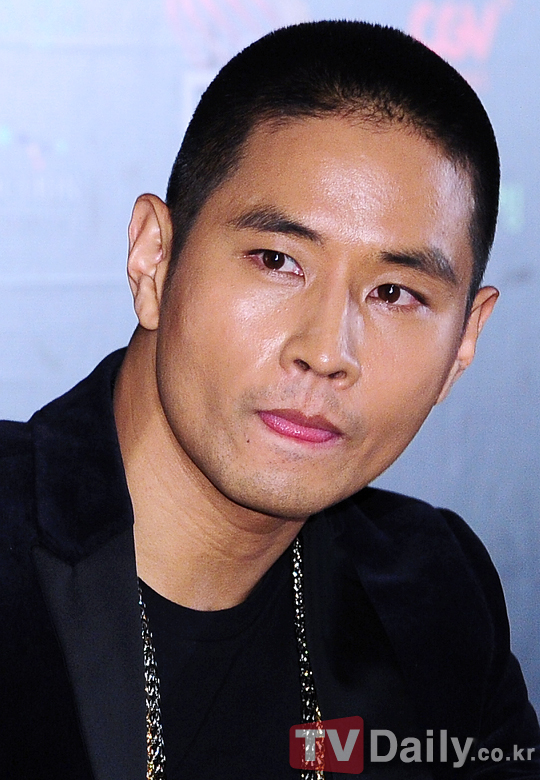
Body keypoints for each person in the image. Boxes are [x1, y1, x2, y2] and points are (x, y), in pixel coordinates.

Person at [1, 19, 538, 780]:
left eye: (394, 293)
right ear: (154, 259)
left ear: (464, 344)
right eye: (277, 260)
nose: (327, 350)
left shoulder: (433, 598)